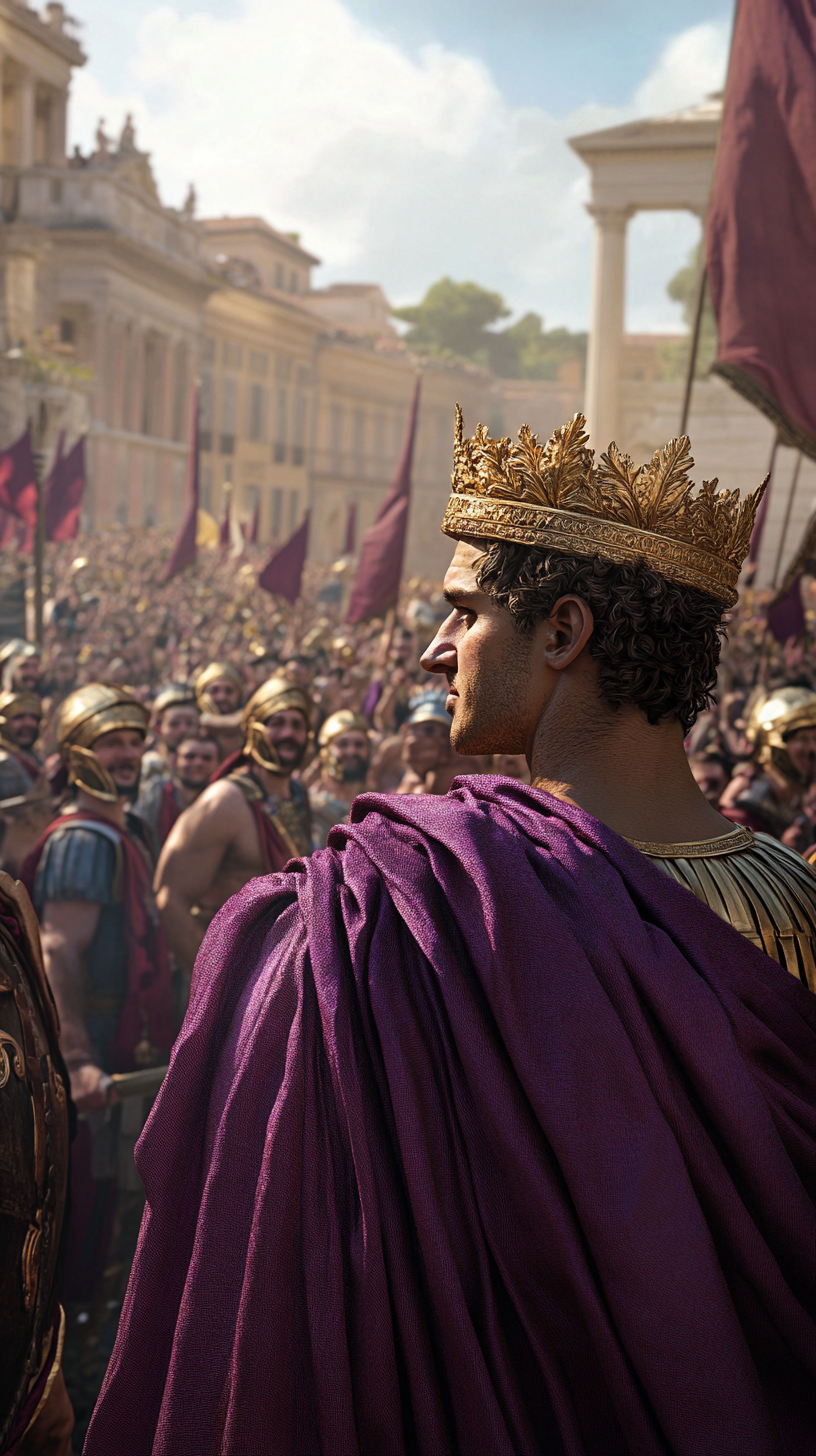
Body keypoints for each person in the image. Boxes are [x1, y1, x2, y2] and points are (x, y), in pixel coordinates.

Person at [86, 413, 815, 1456]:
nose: (434, 647)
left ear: (562, 634)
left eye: (464, 611)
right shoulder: (795, 898)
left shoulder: (378, 921)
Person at [154, 676, 312, 978]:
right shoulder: (225, 801)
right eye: (277, 722)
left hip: (280, 974)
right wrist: (216, 984)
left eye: (297, 725)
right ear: (254, 729)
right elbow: (169, 898)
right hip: (233, 978)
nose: (288, 733)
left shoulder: (297, 793)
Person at [720, 686, 816, 849]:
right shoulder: (741, 817)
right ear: (772, 744)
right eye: (802, 738)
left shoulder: (804, 800)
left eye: (815, 738)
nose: (812, 748)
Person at [136, 733, 220, 849]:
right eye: (190, 756)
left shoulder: (222, 804)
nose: (198, 763)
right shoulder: (155, 793)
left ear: (218, 764)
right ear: (175, 760)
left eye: (207, 758)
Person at [397, 688, 485, 793]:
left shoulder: (461, 779)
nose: (412, 740)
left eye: (429, 731)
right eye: (412, 730)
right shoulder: (409, 777)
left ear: (447, 740)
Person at [309, 710, 371, 848]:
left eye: (359, 745)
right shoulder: (310, 804)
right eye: (342, 744)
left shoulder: (373, 805)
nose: (351, 751)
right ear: (326, 751)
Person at [139, 684, 200, 793]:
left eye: (190, 723)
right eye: (174, 724)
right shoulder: (150, 765)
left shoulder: (206, 764)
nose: (183, 729)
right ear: (158, 728)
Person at [194, 661, 245, 761]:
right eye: (214, 690)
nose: (222, 697)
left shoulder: (247, 720)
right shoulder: (189, 722)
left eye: (229, 691)